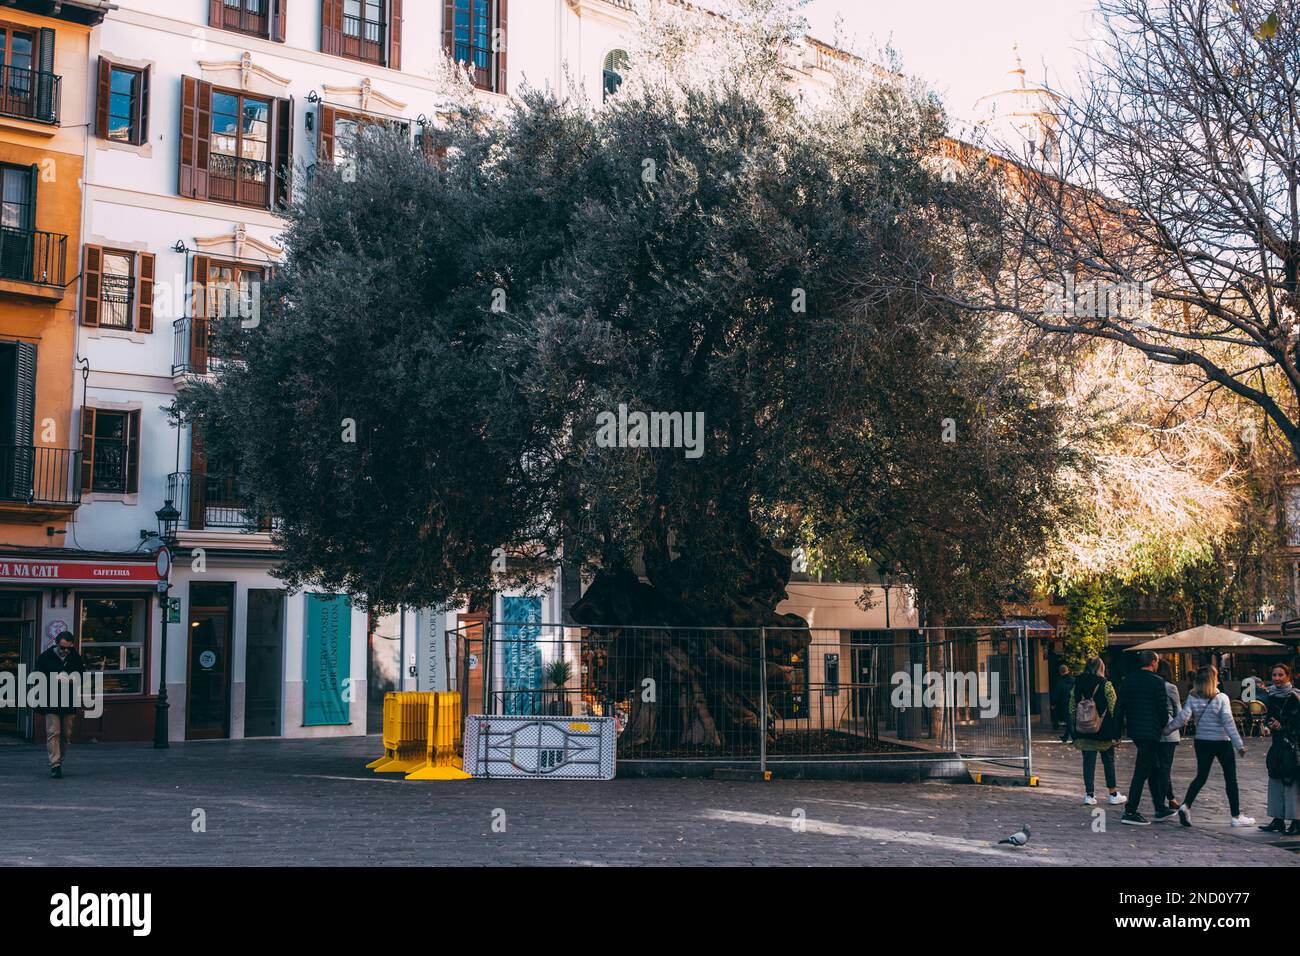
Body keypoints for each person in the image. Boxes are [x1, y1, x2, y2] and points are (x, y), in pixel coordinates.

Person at [1164, 664, 1255, 828]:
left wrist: (1166, 730)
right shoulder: (1222, 698)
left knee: (1201, 776)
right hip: (1222, 742)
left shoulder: (1193, 697)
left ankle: (1186, 805)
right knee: (1230, 779)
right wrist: (1239, 745)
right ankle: (1236, 816)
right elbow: (1228, 722)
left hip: (1202, 741)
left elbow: (1183, 718)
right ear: (1213, 680)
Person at [1119, 649, 1175, 825]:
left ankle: (1159, 806)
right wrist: (1163, 724)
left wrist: (1116, 733)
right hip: (1151, 731)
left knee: (1153, 767)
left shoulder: (1128, 680)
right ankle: (1130, 810)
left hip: (1136, 730)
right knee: (1142, 771)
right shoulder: (1157, 681)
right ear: (1153, 662)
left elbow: (1120, 708)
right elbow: (1162, 709)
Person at [1070, 657, 1125, 807]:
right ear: (1101, 667)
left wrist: (1074, 729)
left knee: (1088, 762)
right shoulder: (1106, 685)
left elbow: (1072, 707)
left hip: (1083, 730)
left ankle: (1089, 795)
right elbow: (1114, 708)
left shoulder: (1077, 683)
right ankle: (1113, 794)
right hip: (1103, 730)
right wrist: (1116, 732)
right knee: (1108, 761)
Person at [33, 631, 85, 779]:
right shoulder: (45, 657)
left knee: (66, 733)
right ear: (56, 644)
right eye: (62, 648)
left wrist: (70, 681)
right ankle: (55, 764)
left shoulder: (75, 656)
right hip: (51, 699)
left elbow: (82, 676)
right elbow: (37, 676)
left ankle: (60, 759)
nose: (65, 651)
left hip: (69, 700)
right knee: (53, 732)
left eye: (68, 648)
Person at [1258, 663, 1300, 835]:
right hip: (1277, 744)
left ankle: (1297, 821)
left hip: (1293, 744)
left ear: (1288, 677)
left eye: (1280, 675)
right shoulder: (1271, 696)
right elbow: (1269, 717)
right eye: (1274, 675)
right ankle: (1278, 819)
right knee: (1275, 779)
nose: (1277, 678)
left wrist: (1283, 726)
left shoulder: (1295, 697)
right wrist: (1270, 724)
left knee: (1291, 782)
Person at [1156, 658, 1181, 812]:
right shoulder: (1171, 687)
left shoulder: (1151, 686)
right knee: (1165, 768)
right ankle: (1165, 800)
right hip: (1169, 731)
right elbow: (1179, 711)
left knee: (1161, 768)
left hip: (1153, 731)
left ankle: (1170, 798)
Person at [1053, 664, 1076, 742]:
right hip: (1074, 702)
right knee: (1070, 720)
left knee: (1069, 721)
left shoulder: (1061, 681)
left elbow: (1057, 693)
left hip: (1065, 703)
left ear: (1060, 672)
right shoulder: (1074, 680)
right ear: (1068, 670)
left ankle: (1075, 739)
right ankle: (1065, 737)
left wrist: (1054, 703)